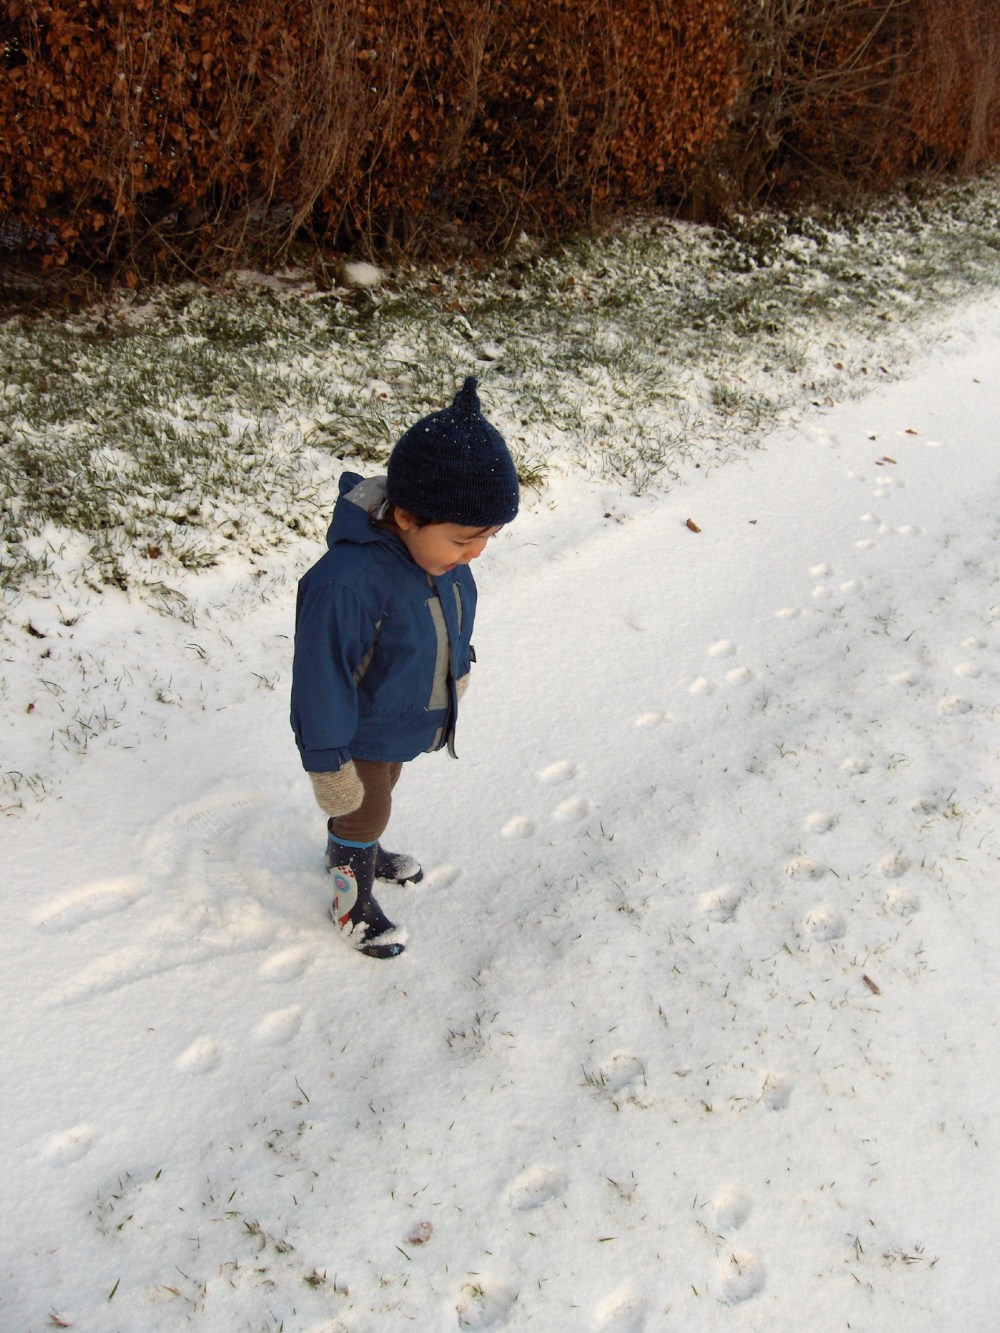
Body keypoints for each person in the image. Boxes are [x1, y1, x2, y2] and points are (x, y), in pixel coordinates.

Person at [290, 377, 519, 958]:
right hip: (358, 727)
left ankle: (351, 847)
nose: (477, 552)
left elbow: (449, 621)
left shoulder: (438, 558)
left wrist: (456, 671)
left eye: (488, 537)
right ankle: (351, 897)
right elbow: (321, 681)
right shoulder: (347, 583)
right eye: (467, 538)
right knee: (366, 804)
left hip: (399, 716)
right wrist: (328, 761)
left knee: (383, 789)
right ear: (411, 516)